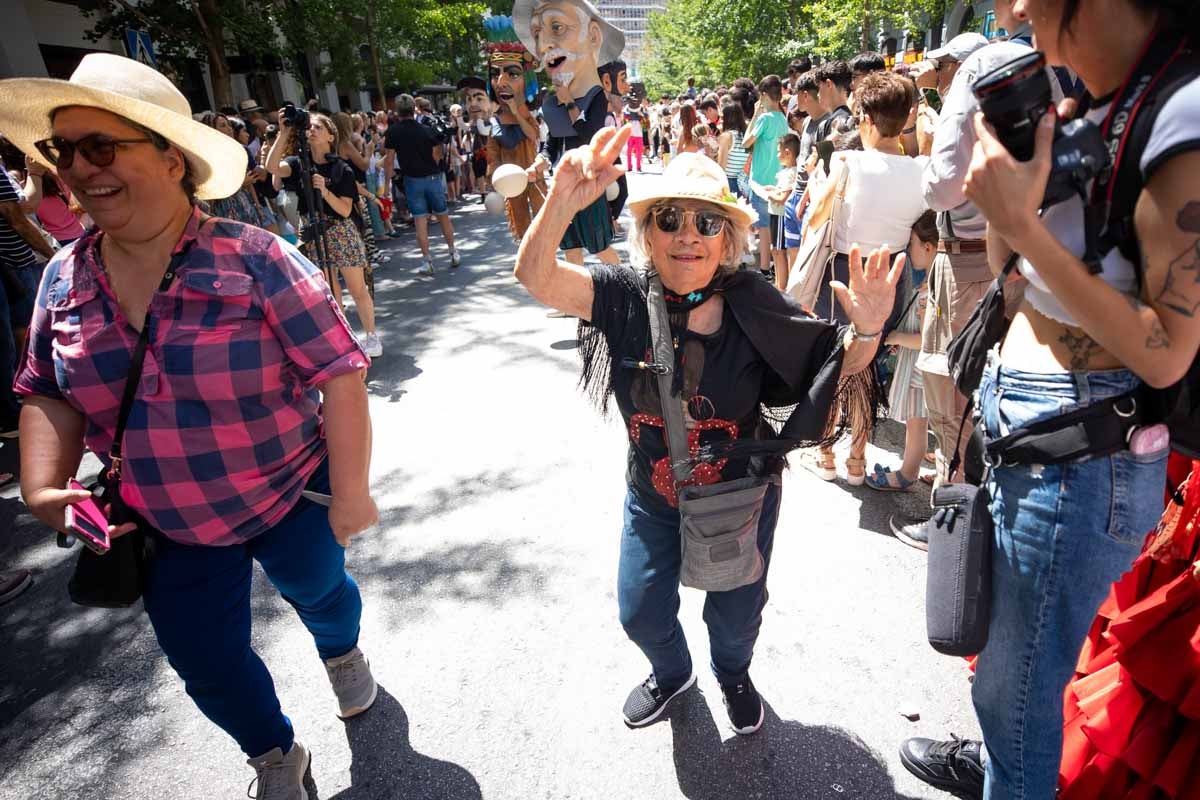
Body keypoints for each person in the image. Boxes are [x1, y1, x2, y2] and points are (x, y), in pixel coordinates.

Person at [0, 52, 379, 800]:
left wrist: (352, 494)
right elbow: (47, 388)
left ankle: (342, 654)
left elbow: (340, 374)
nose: (76, 168)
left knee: (323, 593)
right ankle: (274, 754)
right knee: (204, 657)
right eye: (61, 150)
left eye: (100, 146)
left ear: (172, 160)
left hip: (288, 496)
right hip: (164, 522)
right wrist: (43, 487)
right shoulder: (60, 278)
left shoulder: (259, 260)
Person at [899, 1, 1200, 798]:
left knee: (1018, 695)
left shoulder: (1184, 116)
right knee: (1007, 681)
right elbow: (1014, 271)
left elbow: (1169, 351)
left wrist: (1023, 232)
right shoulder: (1086, 98)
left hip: (1082, 448)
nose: (1012, 9)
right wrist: (1009, 192)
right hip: (1032, 422)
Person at [513, 125, 903, 737]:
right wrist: (562, 198)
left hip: (739, 497)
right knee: (639, 610)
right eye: (668, 219)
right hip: (652, 493)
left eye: (707, 222)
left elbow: (835, 365)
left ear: (730, 238)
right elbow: (537, 278)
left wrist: (873, 328)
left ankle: (733, 674)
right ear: (647, 234)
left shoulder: (754, 301)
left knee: (736, 614)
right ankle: (672, 674)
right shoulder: (620, 296)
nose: (688, 235)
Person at [804, 72, 927, 485]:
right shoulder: (921, 172)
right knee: (868, 365)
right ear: (906, 116)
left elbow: (815, 217)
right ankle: (857, 458)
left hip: (842, 268)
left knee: (832, 359)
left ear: (867, 119)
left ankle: (826, 453)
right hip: (891, 276)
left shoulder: (847, 162)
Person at [516, 0, 624, 267]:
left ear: (594, 36)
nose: (543, 46)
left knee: (599, 246)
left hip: (589, 185)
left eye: (557, 27)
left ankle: (625, 289)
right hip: (562, 184)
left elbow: (589, 135)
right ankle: (575, 299)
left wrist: (568, 101)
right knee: (570, 246)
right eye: (538, 34)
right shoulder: (552, 103)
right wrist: (539, 164)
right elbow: (553, 142)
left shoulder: (597, 96)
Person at [266, 111, 383, 358]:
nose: (312, 130)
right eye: (309, 127)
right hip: (313, 232)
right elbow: (271, 167)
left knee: (357, 288)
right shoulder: (298, 164)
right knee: (330, 293)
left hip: (340, 230)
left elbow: (345, 209)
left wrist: (324, 190)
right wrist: (284, 131)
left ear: (331, 135)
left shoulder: (341, 168)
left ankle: (372, 336)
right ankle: (345, 340)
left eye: (318, 127)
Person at [868, 210, 937, 496]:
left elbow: (925, 339)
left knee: (916, 425)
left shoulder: (928, 294)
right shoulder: (934, 284)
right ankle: (945, 467)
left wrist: (896, 336)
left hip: (920, 372)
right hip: (925, 369)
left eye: (911, 244)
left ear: (929, 247)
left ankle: (907, 473)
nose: (908, 250)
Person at [484, 13, 546, 243]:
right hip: (511, 183)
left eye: (512, 73)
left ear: (526, 78)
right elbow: (493, 156)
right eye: (495, 74)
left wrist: (516, 111)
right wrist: (493, 183)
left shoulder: (526, 115)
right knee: (521, 229)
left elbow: (533, 136)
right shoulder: (495, 120)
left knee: (542, 223)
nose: (501, 82)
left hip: (533, 178)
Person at [383, 94, 461, 274]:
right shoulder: (426, 129)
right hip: (432, 177)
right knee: (443, 216)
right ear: (413, 109)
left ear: (397, 111)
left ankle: (427, 261)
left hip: (412, 180)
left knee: (420, 221)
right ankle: (453, 252)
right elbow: (438, 153)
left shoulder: (393, 132)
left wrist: (388, 185)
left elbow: (389, 160)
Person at [742, 74, 787, 275]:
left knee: (764, 228)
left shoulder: (765, 119)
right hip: (778, 181)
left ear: (764, 96)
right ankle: (774, 267)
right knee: (773, 226)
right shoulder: (782, 119)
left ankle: (764, 268)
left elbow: (746, 142)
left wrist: (754, 115)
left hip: (760, 181)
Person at [764, 133, 799, 289]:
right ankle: (780, 285)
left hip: (780, 215)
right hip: (776, 214)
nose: (777, 155)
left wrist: (768, 194)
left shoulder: (792, 172)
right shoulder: (788, 172)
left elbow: (782, 198)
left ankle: (781, 286)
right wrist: (773, 190)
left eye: (779, 151)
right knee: (776, 250)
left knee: (778, 251)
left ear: (787, 152)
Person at [813, 60, 853, 142]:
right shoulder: (854, 120)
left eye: (819, 88)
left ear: (829, 84)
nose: (818, 94)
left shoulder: (830, 124)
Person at [716, 101, 749, 197]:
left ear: (728, 118)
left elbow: (721, 166)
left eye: (722, 117)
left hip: (729, 182)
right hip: (744, 183)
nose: (720, 120)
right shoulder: (747, 136)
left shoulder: (726, 137)